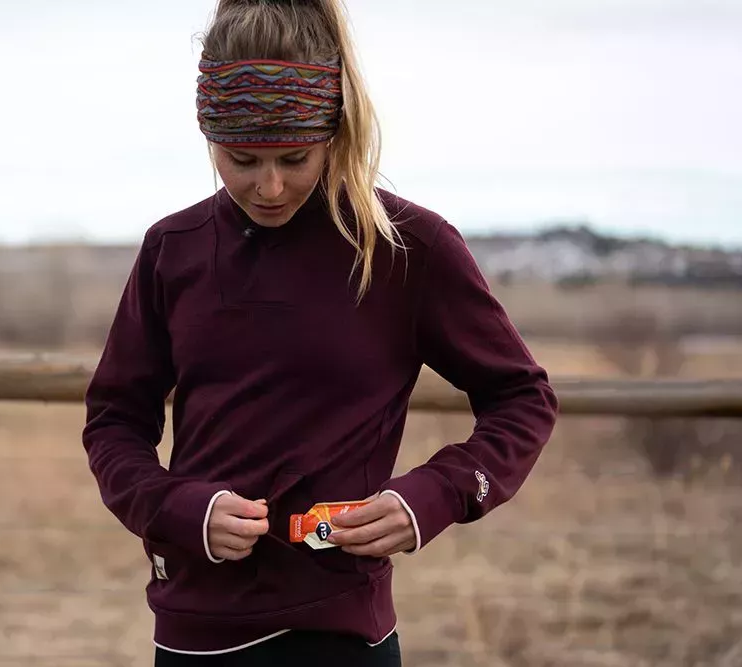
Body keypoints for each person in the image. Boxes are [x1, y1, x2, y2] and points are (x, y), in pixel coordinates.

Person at [82, 0, 559, 664]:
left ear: (334, 131)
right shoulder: (173, 250)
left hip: (341, 636)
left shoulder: (406, 249)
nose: (270, 185)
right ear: (208, 134)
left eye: (295, 157)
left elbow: (523, 397)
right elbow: (113, 420)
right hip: (195, 634)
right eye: (242, 159)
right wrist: (178, 508)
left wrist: (429, 496)